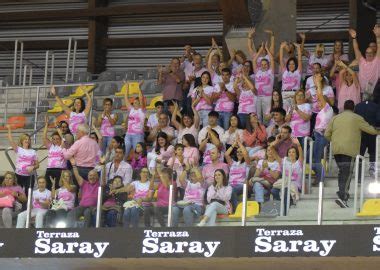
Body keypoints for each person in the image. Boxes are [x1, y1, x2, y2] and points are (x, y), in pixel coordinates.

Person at [325, 100, 380, 208]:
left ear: (343, 108)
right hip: (349, 150)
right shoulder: (357, 118)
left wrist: (335, 141)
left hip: (336, 150)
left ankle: (342, 192)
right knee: (347, 173)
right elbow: (371, 131)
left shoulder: (335, 118)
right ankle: (342, 197)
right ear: (354, 108)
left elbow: (327, 134)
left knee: (342, 172)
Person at [67, 158, 105, 228]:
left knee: (87, 213)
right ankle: (69, 232)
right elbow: (77, 175)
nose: (92, 177)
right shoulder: (84, 183)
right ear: (88, 177)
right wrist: (74, 165)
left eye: (94, 175)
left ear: (97, 177)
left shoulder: (99, 184)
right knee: (71, 213)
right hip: (82, 206)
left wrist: (103, 165)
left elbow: (103, 178)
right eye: (90, 175)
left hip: (93, 207)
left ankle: (85, 233)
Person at [312, 74, 334, 186]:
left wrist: (318, 83)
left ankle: (320, 178)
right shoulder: (322, 111)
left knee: (316, 158)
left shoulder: (327, 109)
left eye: (320, 101)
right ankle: (318, 175)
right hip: (317, 135)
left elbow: (320, 94)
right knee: (309, 157)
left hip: (322, 135)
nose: (318, 103)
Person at [349, 25, 380, 100]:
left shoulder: (377, 60)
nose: (368, 54)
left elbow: (379, 45)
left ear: (374, 53)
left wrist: (378, 36)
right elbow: (356, 48)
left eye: (370, 52)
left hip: (375, 92)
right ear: (365, 54)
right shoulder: (361, 61)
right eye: (367, 52)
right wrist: (354, 38)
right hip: (362, 92)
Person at [6, 125, 38, 195]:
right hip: (18, 175)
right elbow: (11, 140)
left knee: (27, 194)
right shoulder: (18, 149)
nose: (27, 140)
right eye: (25, 139)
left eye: (28, 139)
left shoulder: (33, 151)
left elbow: (37, 165)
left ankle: (26, 206)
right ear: (22, 140)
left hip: (29, 176)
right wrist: (9, 129)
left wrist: (33, 167)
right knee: (18, 194)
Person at [271, 140, 304, 204]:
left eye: (293, 152)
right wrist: (275, 142)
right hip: (284, 184)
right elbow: (273, 152)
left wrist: (298, 145)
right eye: (289, 152)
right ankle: (281, 204)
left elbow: (301, 154)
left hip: (295, 186)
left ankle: (290, 202)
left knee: (286, 190)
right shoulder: (284, 162)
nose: (291, 154)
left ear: (296, 155)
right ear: (287, 154)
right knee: (273, 190)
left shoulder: (299, 163)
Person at [354, 98, 380, 177]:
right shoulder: (376, 106)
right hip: (372, 132)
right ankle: (372, 171)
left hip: (361, 133)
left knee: (360, 153)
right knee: (372, 152)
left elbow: (355, 119)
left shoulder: (358, 106)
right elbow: (378, 119)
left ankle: (359, 172)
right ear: (372, 98)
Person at [225, 137, 250, 211]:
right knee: (229, 189)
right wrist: (234, 144)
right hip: (230, 185)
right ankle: (228, 210)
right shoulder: (232, 163)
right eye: (238, 152)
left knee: (231, 190)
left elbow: (245, 153)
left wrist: (239, 142)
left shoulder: (246, 163)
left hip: (241, 185)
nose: (239, 153)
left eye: (240, 151)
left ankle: (236, 210)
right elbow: (226, 154)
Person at [253, 42, 275, 123]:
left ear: (268, 65)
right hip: (258, 96)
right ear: (260, 65)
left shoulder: (270, 72)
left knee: (267, 116)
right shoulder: (257, 71)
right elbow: (254, 60)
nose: (264, 66)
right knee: (258, 115)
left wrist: (267, 48)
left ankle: (267, 131)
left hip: (267, 97)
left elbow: (272, 59)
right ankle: (259, 131)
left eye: (265, 64)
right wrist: (261, 50)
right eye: (262, 64)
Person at [123, 81, 146, 158]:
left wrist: (139, 88)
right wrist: (126, 86)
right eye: (134, 102)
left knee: (139, 154)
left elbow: (141, 98)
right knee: (125, 153)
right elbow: (125, 98)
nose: (135, 103)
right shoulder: (131, 110)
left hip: (138, 135)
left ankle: (139, 169)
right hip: (128, 134)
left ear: (140, 103)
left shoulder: (142, 110)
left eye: (137, 102)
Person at [43, 116, 66, 191]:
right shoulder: (50, 146)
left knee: (58, 188)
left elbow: (63, 137)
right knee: (48, 188)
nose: (55, 140)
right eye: (53, 139)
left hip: (60, 170)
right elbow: (44, 137)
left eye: (57, 139)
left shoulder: (62, 146)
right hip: (49, 169)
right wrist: (46, 125)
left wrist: (56, 126)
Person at [280, 42, 302, 108]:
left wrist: (298, 48)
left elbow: (300, 60)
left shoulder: (298, 72)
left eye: (293, 64)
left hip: (295, 94)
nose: (291, 65)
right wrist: (281, 48)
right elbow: (281, 60)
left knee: (294, 112)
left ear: (296, 65)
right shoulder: (284, 71)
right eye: (289, 64)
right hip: (285, 94)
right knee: (285, 113)